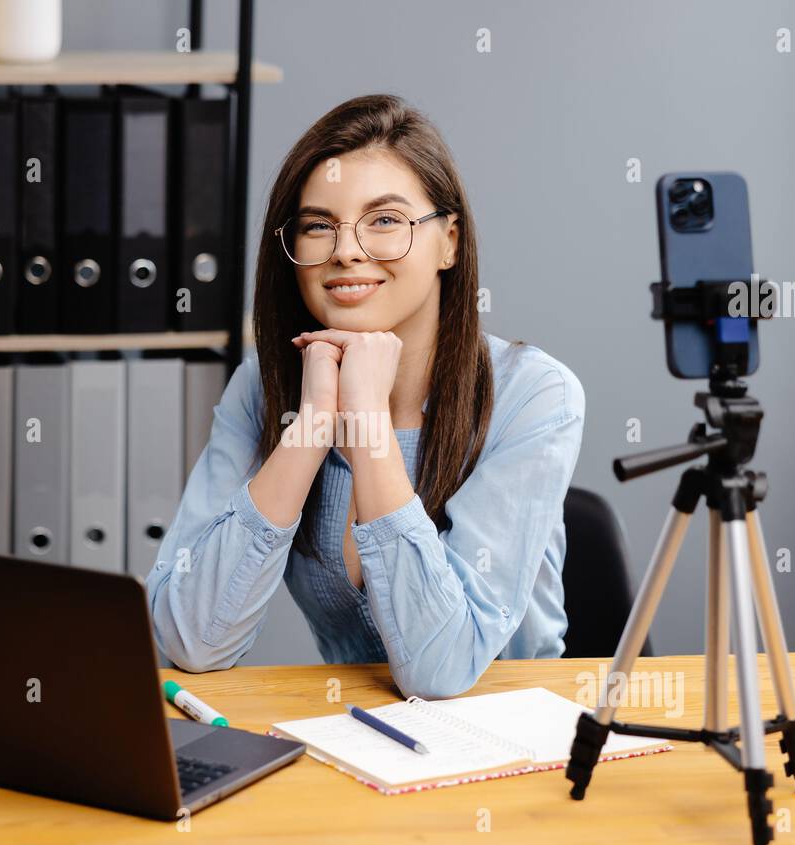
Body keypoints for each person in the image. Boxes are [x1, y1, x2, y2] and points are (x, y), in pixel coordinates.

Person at [146, 93, 585, 700]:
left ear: (449, 242)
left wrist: (370, 425)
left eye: (384, 220)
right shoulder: (263, 387)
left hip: (508, 735)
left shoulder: (533, 393)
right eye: (318, 226)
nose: (346, 250)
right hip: (356, 732)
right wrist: (312, 425)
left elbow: (441, 671)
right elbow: (187, 642)